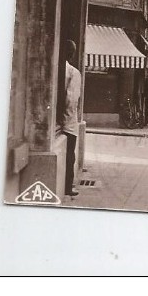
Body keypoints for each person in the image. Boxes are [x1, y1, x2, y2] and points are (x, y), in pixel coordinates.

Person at [61, 40, 82, 198]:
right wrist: (66, 120)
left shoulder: (58, 69)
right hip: (68, 123)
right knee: (70, 156)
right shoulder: (73, 72)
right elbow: (72, 100)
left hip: (59, 123)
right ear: (72, 54)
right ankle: (68, 186)